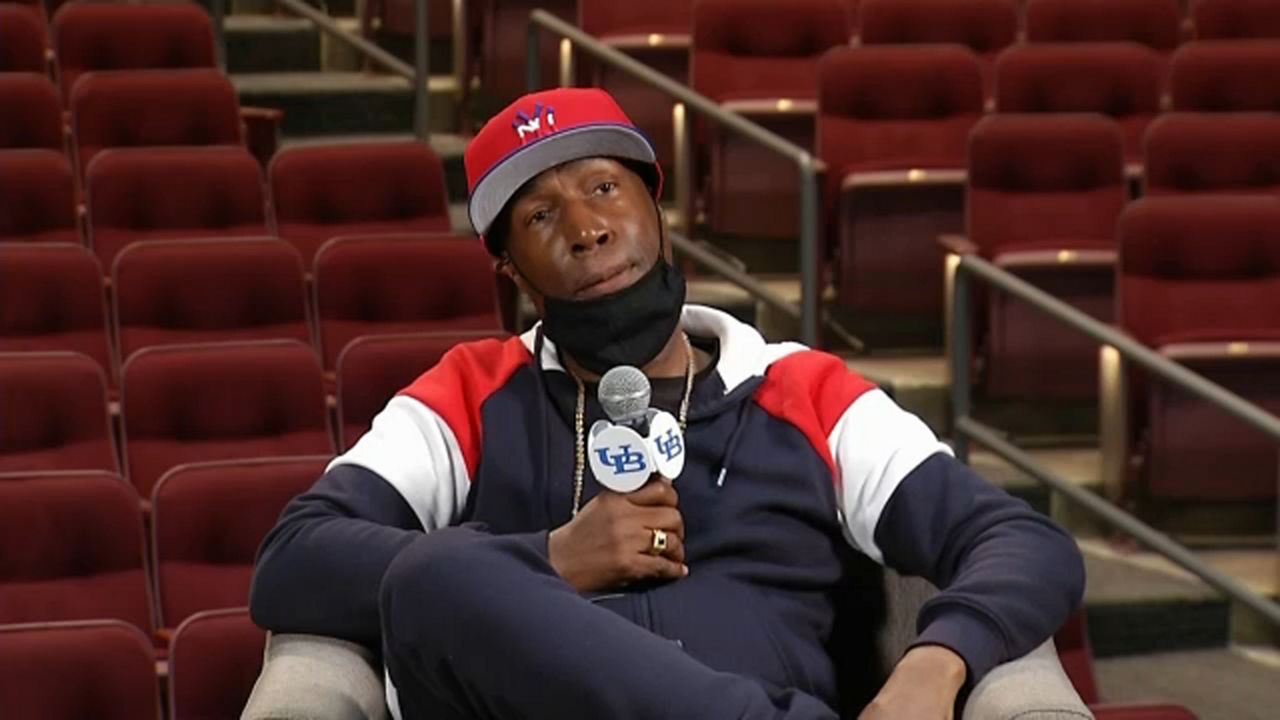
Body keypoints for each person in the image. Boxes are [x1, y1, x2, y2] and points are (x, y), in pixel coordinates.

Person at [249, 88, 1085, 720]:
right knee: (434, 578)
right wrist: (551, 558)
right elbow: (294, 558)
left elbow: (1018, 539)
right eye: (540, 215)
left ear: (657, 207)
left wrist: (936, 662)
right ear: (510, 270)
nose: (586, 228)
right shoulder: (470, 391)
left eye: (604, 188)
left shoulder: (802, 389)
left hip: (774, 684)